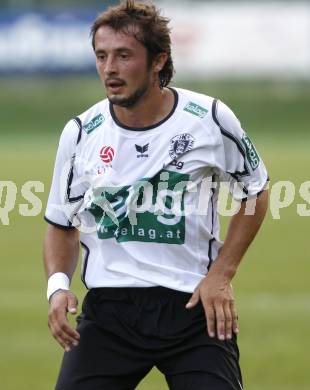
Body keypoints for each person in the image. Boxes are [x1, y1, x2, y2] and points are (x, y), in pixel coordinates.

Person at [43, 1, 269, 389]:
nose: (110, 69)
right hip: (110, 311)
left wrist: (221, 275)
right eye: (101, 56)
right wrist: (58, 287)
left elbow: (256, 191)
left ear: (159, 60)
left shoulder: (210, 119)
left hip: (193, 307)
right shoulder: (81, 132)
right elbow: (63, 224)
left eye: (123, 56)